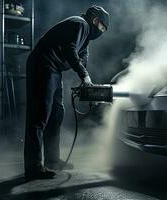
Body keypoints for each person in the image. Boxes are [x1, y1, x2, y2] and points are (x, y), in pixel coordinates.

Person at [24, 5, 109, 181]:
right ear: (94, 20)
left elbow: (81, 59)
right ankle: (33, 167)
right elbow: (70, 50)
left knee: (56, 114)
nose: (101, 31)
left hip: (54, 69)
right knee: (39, 116)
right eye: (101, 26)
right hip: (44, 64)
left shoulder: (85, 38)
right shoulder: (80, 24)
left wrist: (87, 83)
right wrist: (84, 75)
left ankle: (52, 160)